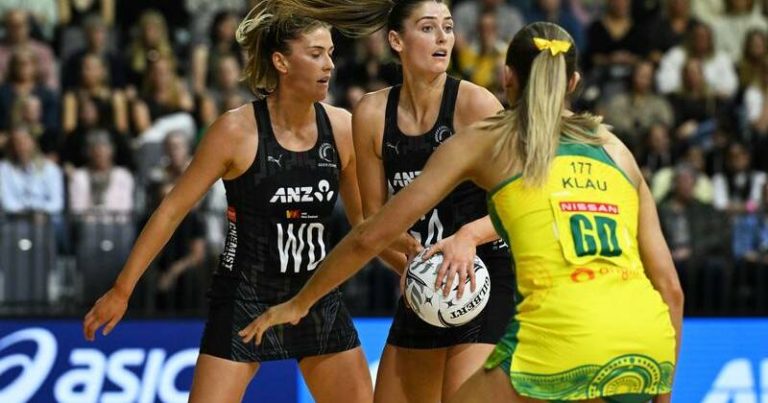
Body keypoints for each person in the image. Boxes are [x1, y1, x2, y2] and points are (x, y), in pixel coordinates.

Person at [244, 22, 684, 402]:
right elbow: (670, 288)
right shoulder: (615, 148)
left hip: (561, 339)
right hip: (643, 343)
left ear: (507, 78)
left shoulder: (487, 140)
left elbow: (369, 235)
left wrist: (300, 302)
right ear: (573, 82)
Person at [81, 1, 373, 402]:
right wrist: (122, 289)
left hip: (314, 294)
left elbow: (368, 227)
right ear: (281, 62)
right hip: (246, 295)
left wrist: (413, 265)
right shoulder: (235, 131)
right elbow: (171, 210)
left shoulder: (341, 127)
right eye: (316, 54)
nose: (329, 65)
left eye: (331, 54)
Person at [278, 0, 515, 400]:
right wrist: (411, 264)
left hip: (484, 275)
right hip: (428, 278)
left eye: (448, 27)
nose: (442, 38)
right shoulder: (372, 112)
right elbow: (373, 222)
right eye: (427, 28)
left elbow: (521, 204)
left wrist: (468, 238)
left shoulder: (475, 105)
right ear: (396, 41)